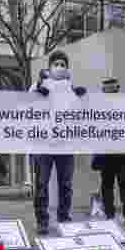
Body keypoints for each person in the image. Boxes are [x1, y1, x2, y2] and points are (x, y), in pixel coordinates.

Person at [30, 50, 87, 234]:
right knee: (41, 184)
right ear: (50, 67)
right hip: (43, 145)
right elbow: (26, 107)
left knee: (66, 184)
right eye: (57, 64)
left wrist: (81, 98)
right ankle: (42, 220)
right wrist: (37, 92)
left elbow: (80, 115)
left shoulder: (71, 88)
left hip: (65, 144)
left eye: (63, 64)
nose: (60, 67)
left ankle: (64, 218)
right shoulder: (38, 85)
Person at [91, 77, 125, 227]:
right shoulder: (98, 107)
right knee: (109, 185)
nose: (111, 91)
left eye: (113, 89)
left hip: (122, 153)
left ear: (117, 89)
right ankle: (110, 216)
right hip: (107, 152)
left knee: (123, 184)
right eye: (108, 89)